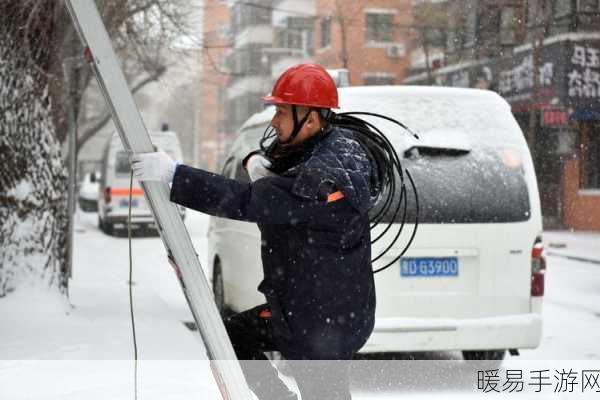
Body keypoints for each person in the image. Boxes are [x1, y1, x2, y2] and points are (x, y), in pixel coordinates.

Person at [131, 63, 381, 400]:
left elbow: (247, 201)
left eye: (281, 111)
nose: (274, 121)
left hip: (319, 325)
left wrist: (176, 175)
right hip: (322, 313)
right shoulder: (338, 154)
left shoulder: (321, 183)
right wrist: (267, 171)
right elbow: (291, 192)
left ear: (309, 118)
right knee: (233, 335)